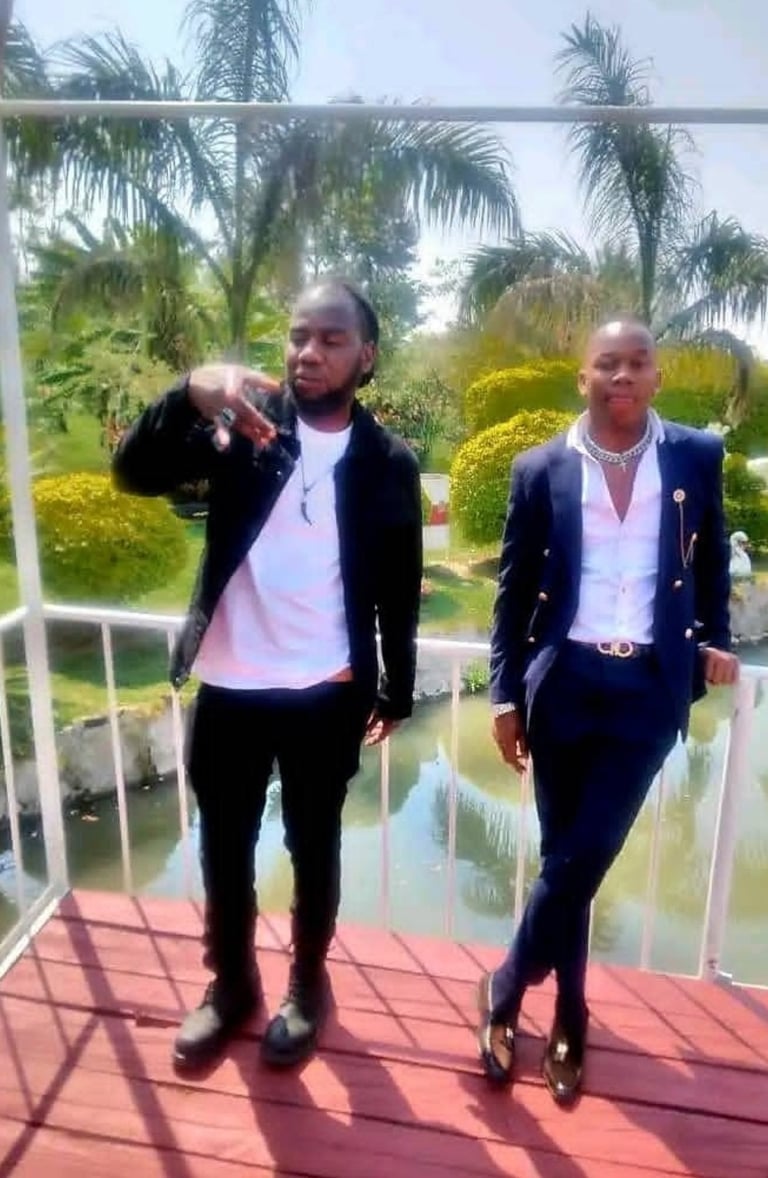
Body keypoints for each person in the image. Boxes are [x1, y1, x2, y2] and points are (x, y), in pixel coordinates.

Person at [113, 281, 423, 1072]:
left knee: (315, 845)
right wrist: (189, 393)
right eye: (298, 336)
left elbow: (398, 586)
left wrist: (396, 688)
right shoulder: (244, 429)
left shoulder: (388, 463)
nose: (308, 352)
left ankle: (307, 983)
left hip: (328, 691)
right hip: (231, 685)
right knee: (224, 844)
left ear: (366, 356)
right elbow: (133, 473)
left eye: (331, 339)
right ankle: (232, 984)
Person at [480, 318, 739, 1104]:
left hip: (648, 691)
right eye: (607, 363)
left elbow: (713, 558)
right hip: (563, 683)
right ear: (584, 377)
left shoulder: (695, 455)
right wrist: (503, 694)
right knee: (568, 859)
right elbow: (512, 594)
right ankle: (570, 1014)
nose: (622, 375)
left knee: (582, 855)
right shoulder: (540, 468)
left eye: (637, 362)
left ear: (657, 376)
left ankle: (505, 983)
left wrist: (717, 641)